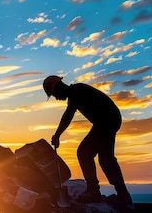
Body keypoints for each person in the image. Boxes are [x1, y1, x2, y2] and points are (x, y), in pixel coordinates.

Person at [43, 75, 133, 209]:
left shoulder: (76, 92)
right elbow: (69, 113)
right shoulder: (76, 92)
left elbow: (68, 115)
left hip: (106, 121)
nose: (56, 98)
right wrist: (57, 135)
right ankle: (119, 195)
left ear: (57, 88)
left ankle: (98, 192)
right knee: (101, 158)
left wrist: (57, 135)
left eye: (54, 94)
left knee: (88, 154)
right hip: (106, 121)